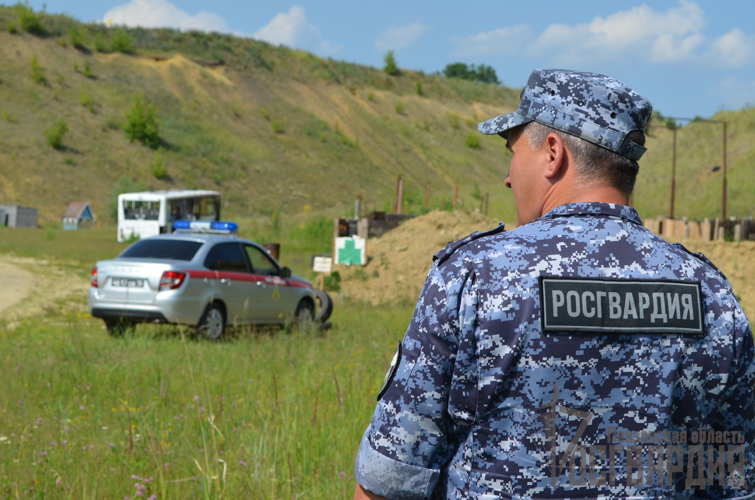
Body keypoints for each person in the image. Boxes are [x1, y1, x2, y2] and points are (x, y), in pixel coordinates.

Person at [352, 69, 755, 500]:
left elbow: (389, 481)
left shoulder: (474, 275)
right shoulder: (711, 295)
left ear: (551, 153)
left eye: (513, 152)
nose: (508, 178)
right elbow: (733, 480)